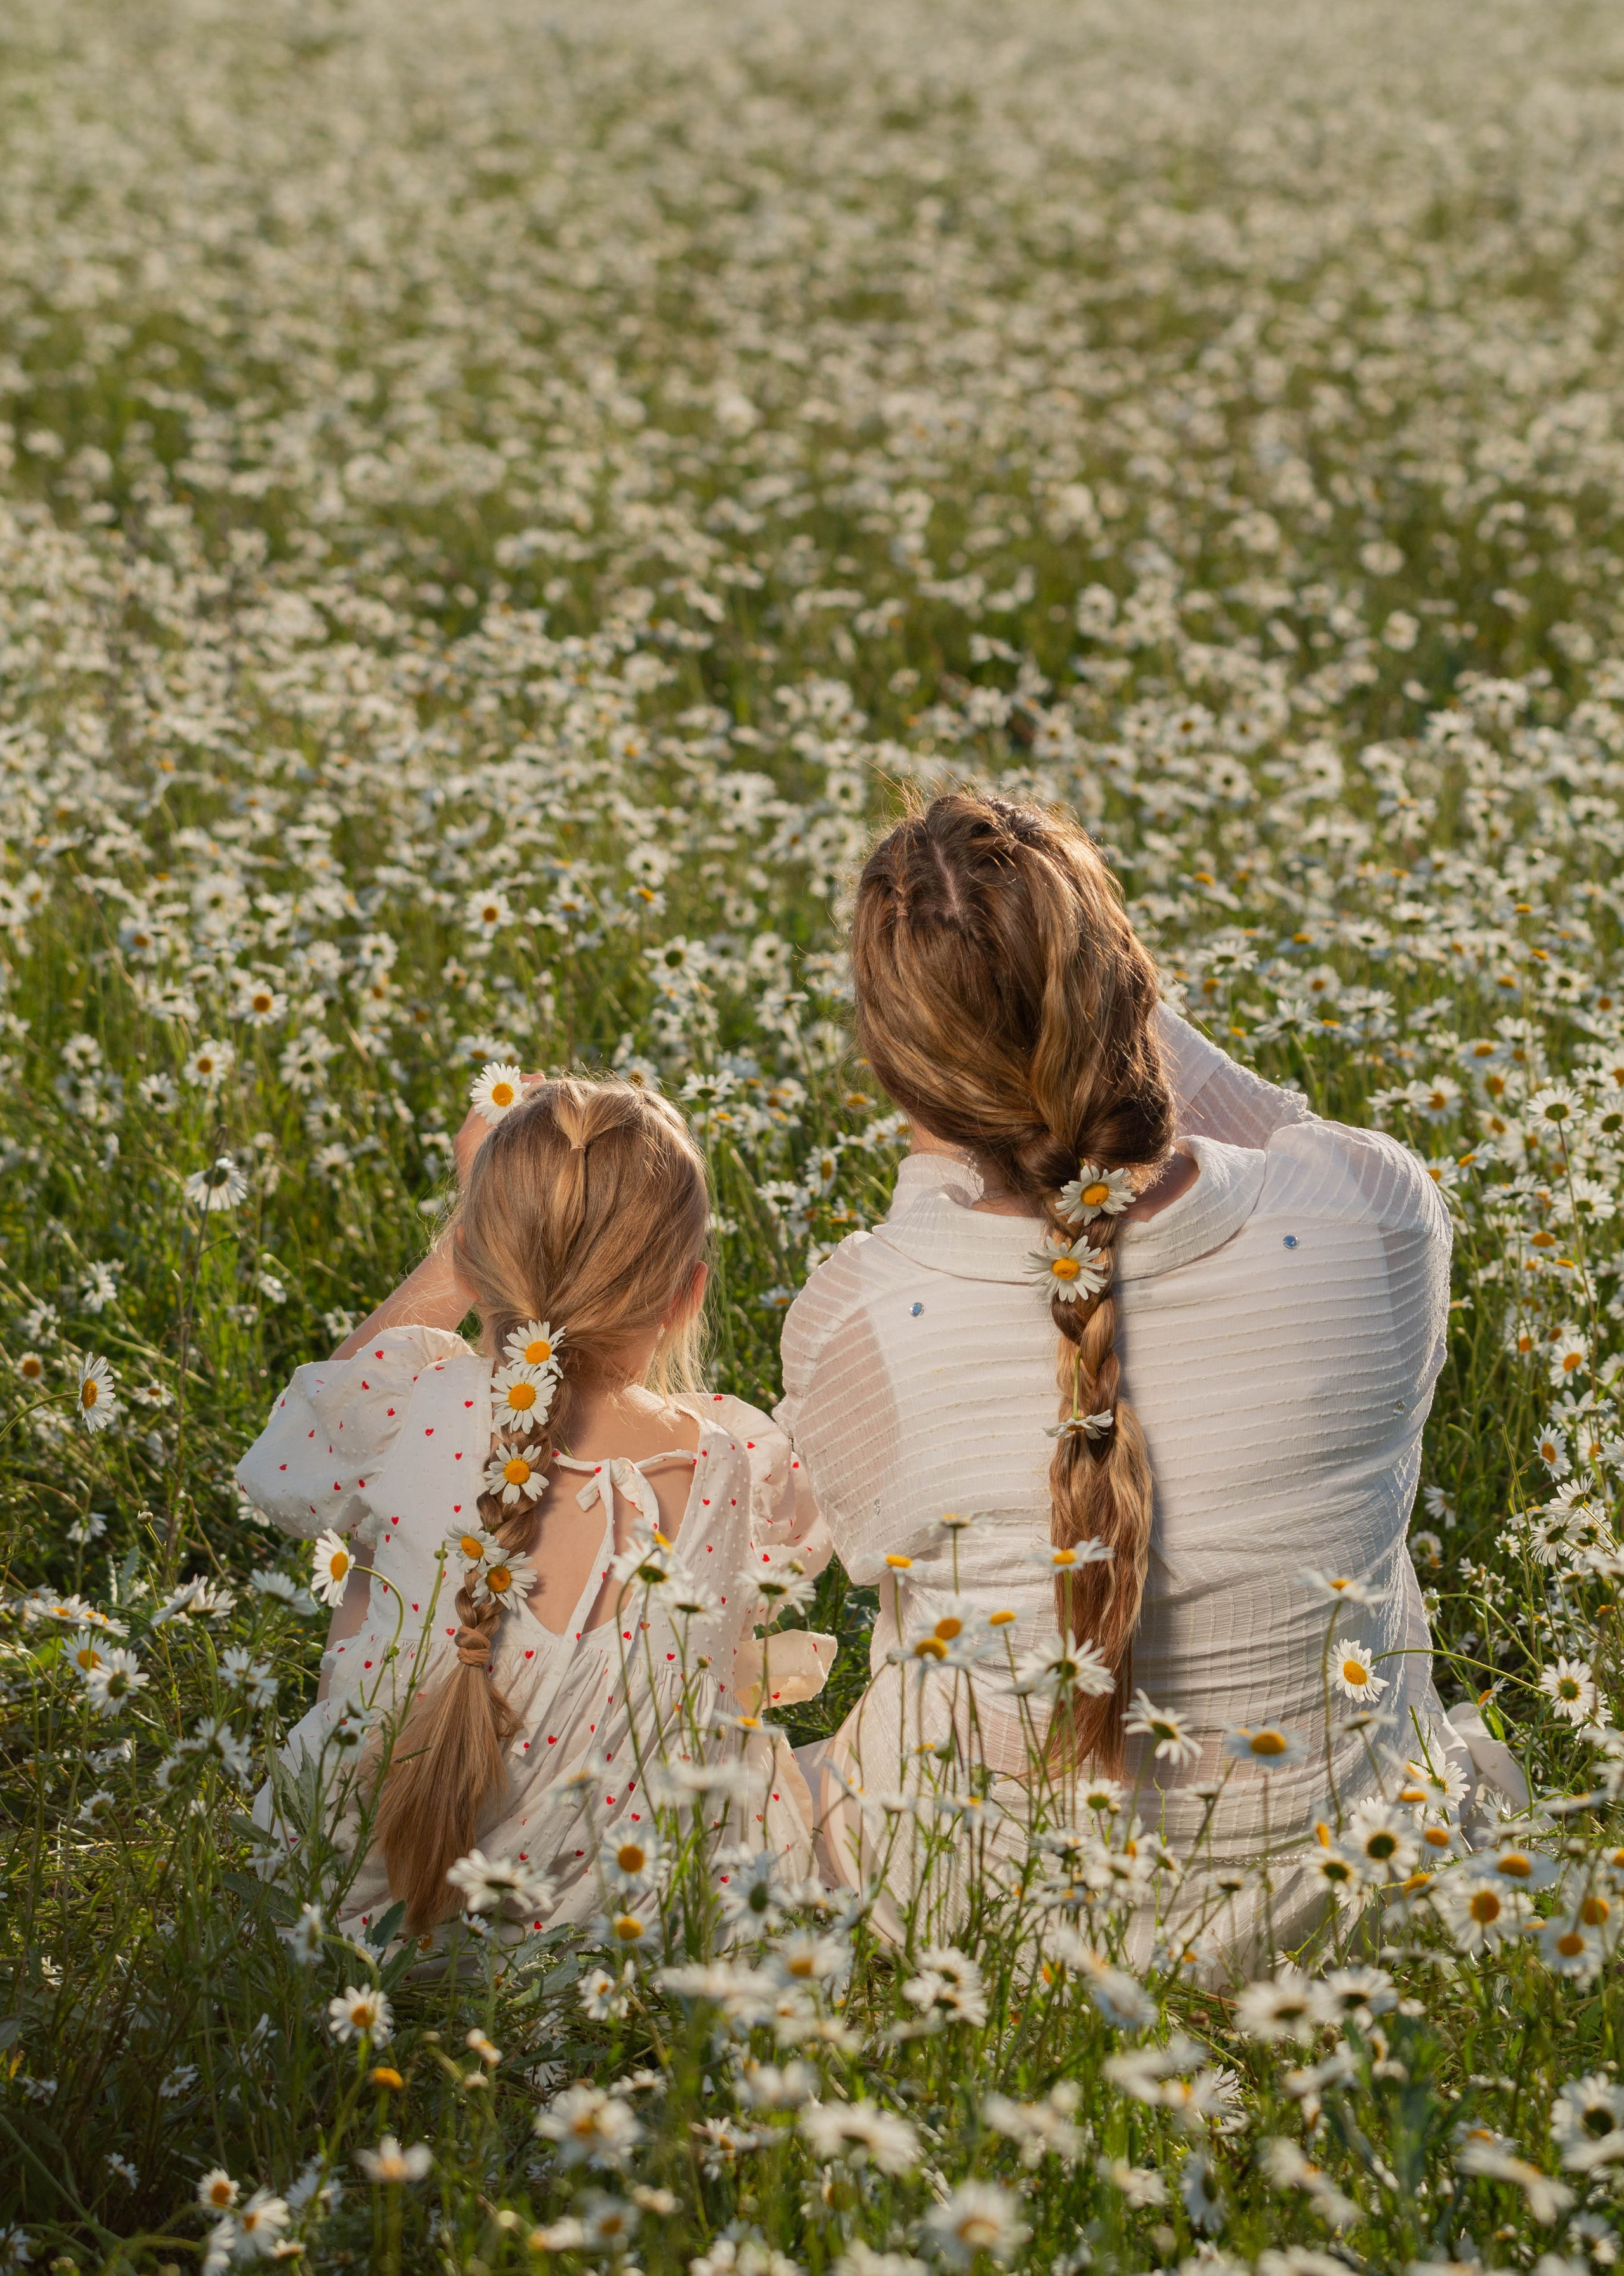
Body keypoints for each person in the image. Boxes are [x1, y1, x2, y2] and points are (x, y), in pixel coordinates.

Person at [778, 788, 1481, 1969]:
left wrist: (946, 1133)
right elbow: (1281, 1135)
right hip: (1341, 1897)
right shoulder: (1376, 1216)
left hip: (991, 1924)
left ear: (897, 1070)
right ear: (1133, 989)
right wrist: (1118, 1014)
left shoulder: (857, 1321)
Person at [237, 1075, 832, 1937]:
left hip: (354, 1889)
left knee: (380, 1543)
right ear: (687, 1296)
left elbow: (294, 1449)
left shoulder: (416, 1408)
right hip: (613, 1926)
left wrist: (465, 1241)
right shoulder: (727, 1467)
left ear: (472, 1262)